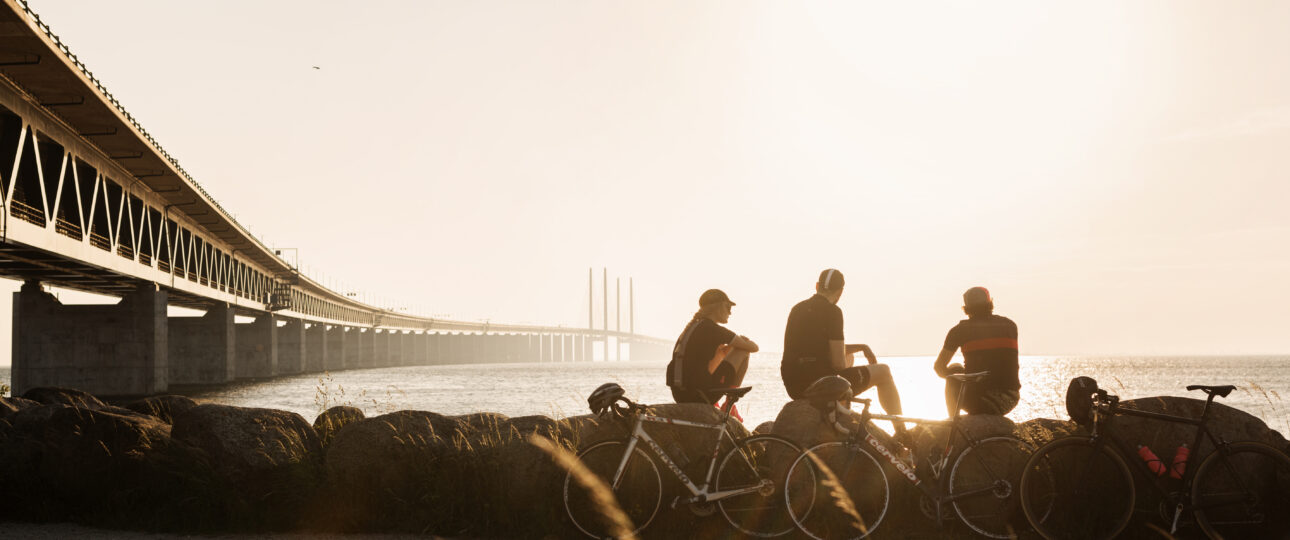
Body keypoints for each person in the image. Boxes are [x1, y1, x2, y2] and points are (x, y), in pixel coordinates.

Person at [781, 269, 909, 437]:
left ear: (817, 286)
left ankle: (840, 414)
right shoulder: (833, 312)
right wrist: (863, 349)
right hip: (820, 386)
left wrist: (861, 347)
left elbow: (819, 348)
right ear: (840, 292)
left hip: (794, 385)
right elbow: (838, 364)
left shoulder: (797, 309)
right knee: (884, 372)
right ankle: (902, 433)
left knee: (850, 356)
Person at [934, 286, 1021, 417]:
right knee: (958, 371)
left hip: (982, 401)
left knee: (953, 374)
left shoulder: (959, 331)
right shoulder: (1010, 325)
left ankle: (953, 423)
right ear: (990, 303)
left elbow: (939, 368)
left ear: (966, 308)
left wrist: (962, 377)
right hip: (1011, 397)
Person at [667, 289, 760, 406]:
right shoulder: (714, 330)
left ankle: (715, 400)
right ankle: (730, 402)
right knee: (743, 351)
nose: (730, 313)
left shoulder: (690, 329)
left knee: (720, 351)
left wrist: (730, 347)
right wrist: (744, 341)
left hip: (680, 395)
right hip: (700, 396)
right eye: (728, 308)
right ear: (719, 307)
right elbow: (754, 348)